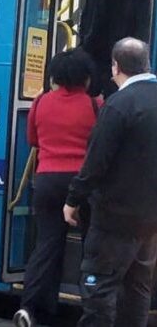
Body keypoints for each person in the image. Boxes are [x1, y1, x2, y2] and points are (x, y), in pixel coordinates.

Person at [64, 37, 157, 327]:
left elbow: (97, 162)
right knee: (139, 286)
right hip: (150, 218)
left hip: (115, 215)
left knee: (98, 285)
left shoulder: (119, 105)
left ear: (115, 67)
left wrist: (73, 199)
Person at [13, 49, 101, 327]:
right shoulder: (95, 105)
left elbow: (33, 139)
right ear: (86, 77)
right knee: (92, 246)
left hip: (47, 180)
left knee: (47, 245)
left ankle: (31, 308)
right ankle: (91, 308)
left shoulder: (41, 102)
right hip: (83, 183)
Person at [79, 0, 150, 97]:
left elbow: (142, 27)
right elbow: (85, 18)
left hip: (121, 56)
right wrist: (84, 41)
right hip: (94, 52)